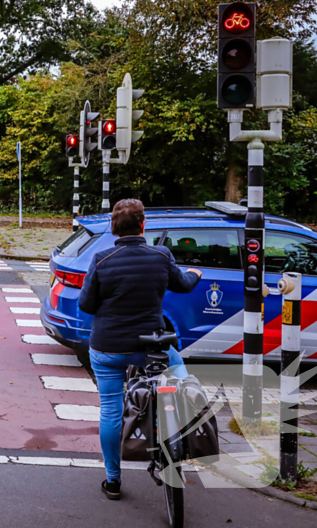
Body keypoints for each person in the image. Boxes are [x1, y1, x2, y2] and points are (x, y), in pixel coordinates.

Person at [78, 198, 202, 501]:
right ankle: (172, 437)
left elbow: (86, 304)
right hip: (153, 347)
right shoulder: (160, 255)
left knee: (110, 408)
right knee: (181, 382)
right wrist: (195, 275)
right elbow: (183, 284)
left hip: (108, 347)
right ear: (143, 225)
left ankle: (113, 481)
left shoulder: (102, 260)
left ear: (113, 228)